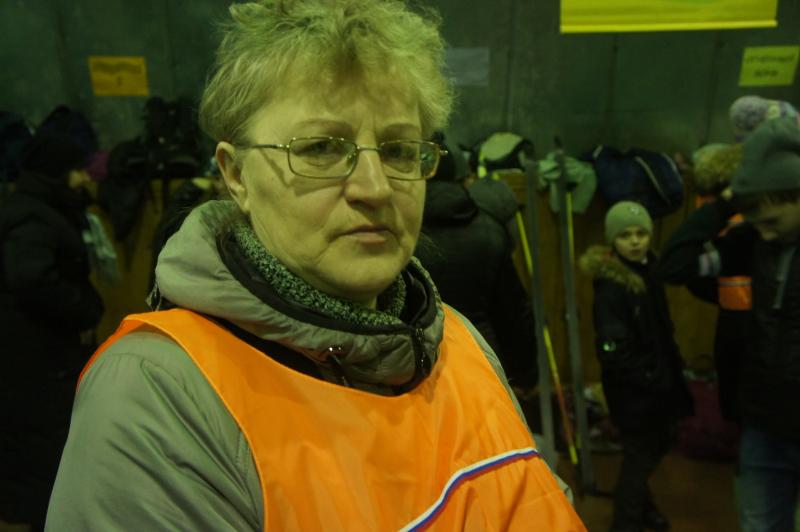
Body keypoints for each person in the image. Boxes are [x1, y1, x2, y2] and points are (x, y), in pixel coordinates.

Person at [45, 1, 585, 530]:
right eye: (322, 148)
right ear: (236, 175)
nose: (375, 188)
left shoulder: (459, 343)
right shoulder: (159, 398)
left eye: (399, 151)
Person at [658, 116, 800, 532]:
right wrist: (726, 204)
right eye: (757, 222)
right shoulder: (753, 243)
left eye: (773, 221)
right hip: (763, 425)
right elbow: (675, 265)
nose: (766, 233)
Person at [0, 132, 103, 530]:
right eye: (77, 169)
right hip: (35, 355)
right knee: (42, 446)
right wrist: (83, 309)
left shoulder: (39, 207)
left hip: (39, 352)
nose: (84, 178)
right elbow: (30, 277)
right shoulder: (33, 215)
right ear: (55, 171)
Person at [579, 201, 692, 532]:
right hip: (634, 390)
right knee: (639, 456)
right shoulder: (613, 288)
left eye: (640, 233)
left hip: (656, 382)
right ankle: (626, 522)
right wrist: (650, 377)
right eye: (625, 235)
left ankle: (642, 506)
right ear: (612, 240)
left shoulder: (649, 270)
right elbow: (614, 351)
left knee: (656, 445)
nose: (634, 241)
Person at [414, 138, 538, 391]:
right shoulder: (490, 230)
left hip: (419, 368)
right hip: (483, 360)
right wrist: (526, 375)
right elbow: (514, 313)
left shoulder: (400, 234)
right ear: (461, 177)